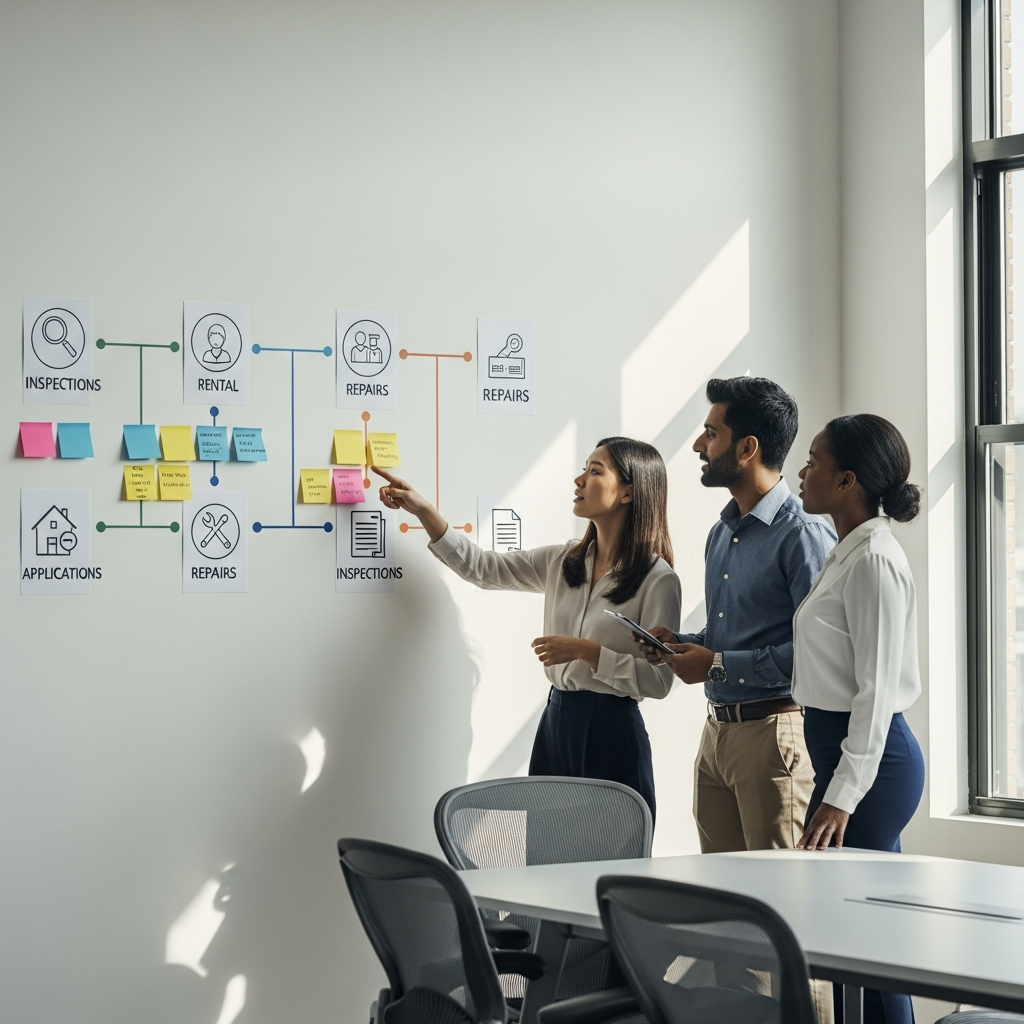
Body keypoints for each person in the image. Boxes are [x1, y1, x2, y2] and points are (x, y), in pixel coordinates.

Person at [374, 437, 681, 820]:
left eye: (594, 471)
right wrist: (423, 511)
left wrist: (586, 652)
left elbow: (661, 682)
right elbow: (482, 568)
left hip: (612, 731)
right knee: (547, 853)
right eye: (584, 467)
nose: (579, 480)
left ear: (628, 493)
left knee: (611, 854)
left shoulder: (658, 580)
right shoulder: (563, 559)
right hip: (556, 722)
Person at [637, 378, 836, 851]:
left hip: (775, 735)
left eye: (711, 432)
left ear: (747, 447)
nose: (698, 446)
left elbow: (819, 653)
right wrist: (680, 643)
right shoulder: (720, 533)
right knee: (723, 898)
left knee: (782, 895)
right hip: (717, 735)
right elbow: (729, 633)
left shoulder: (802, 536)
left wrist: (717, 664)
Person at [792, 414, 924, 1024]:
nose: (803, 470)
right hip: (844, 754)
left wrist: (842, 797)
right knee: (868, 944)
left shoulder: (873, 560)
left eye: (814, 461)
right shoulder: (848, 551)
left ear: (846, 480)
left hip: (871, 763)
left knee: (869, 947)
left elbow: (874, 695)